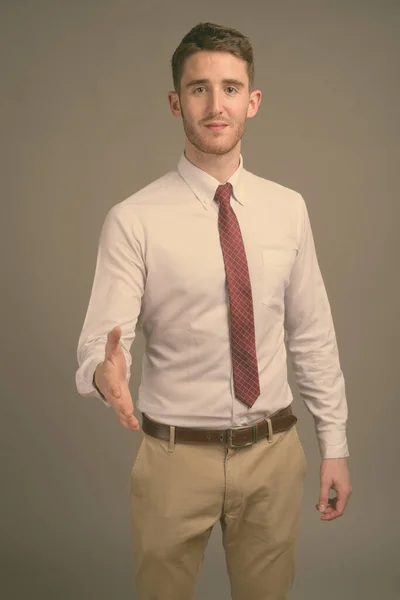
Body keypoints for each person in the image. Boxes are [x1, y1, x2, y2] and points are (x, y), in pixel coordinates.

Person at [76, 21, 352, 600]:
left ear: (252, 101)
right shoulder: (134, 218)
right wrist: (107, 377)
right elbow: (103, 346)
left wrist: (336, 444)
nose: (215, 104)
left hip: (274, 457)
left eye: (230, 88)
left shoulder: (289, 209)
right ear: (177, 102)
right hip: (174, 461)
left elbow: (312, 335)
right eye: (199, 88)